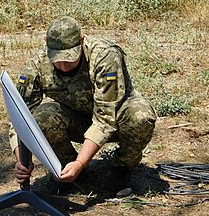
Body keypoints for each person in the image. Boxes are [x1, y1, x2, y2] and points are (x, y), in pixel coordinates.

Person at [9, 16, 157, 196]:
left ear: (82, 39)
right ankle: (65, 167)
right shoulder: (36, 64)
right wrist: (22, 160)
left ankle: (122, 168)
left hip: (117, 120)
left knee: (140, 116)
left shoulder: (104, 56)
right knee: (42, 117)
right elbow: (20, 117)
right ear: (46, 43)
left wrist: (81, 162)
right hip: (78, 120)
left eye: (69, 58)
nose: (63, 66)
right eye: (57, 59)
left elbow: (105, 118)